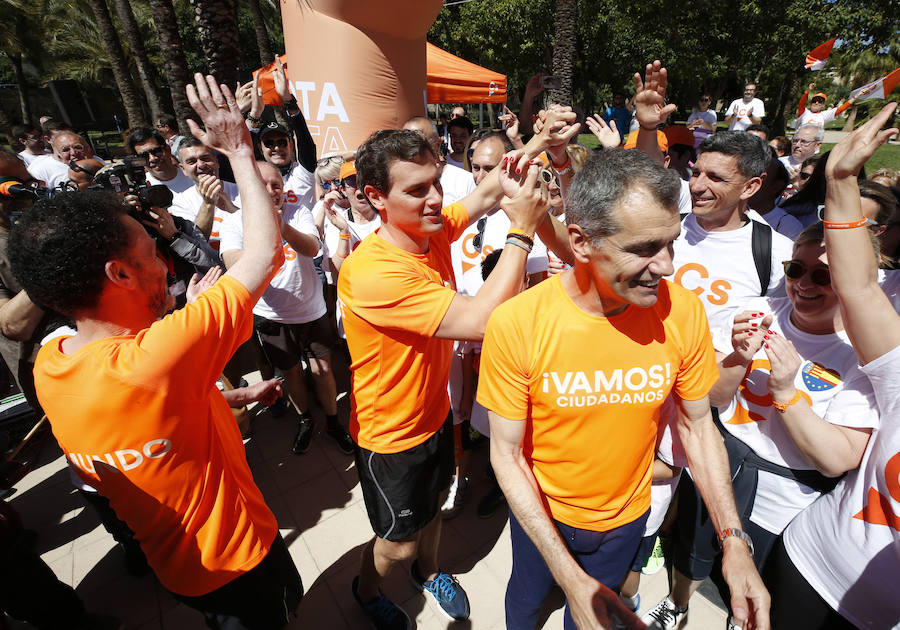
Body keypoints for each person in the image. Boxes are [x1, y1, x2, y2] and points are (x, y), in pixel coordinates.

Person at [8, 74, 303, 629]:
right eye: (151, 253)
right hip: (240, 563)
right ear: (118, 272)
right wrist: (237, 146)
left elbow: (152, 425)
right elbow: (262, 254)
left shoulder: (54, 361)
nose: (166, 264)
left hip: (182, 574)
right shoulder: (158, 357)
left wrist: (235, 393)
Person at [478, 147, 769, 630]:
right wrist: (569, 580)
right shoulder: (518, 323)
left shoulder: (682, 312)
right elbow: (505, 456)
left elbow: (698, 427)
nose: (668, 266)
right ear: (581, 241)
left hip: (624, 522)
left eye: (672, 243)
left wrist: (734, 543)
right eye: (644, 249)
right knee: (526, 609)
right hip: (541, 517)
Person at [339, 109, 578, 629]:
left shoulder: (429, 231)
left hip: (433, 416)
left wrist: (538, 140)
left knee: (432, 521)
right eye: (416, 190)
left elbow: (490, 190)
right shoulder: (376, 272)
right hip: (390, 436)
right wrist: (521, 232)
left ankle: (430, 572)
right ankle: (368, 587)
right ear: (376, 198)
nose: (435, 199)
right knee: (396, 542)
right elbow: (481, 319)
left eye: (434, 183)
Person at [682, 222, 878, 629]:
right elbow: (714, 398)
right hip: (716, 468)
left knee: (753, 600)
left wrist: (787, 393)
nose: (804, 284)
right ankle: (678, 604)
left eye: (823, 275)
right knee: (692, 555)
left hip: (782, 505)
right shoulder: (756, 311)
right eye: (795, 271)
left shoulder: (865, 354)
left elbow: (836, 459)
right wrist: (736, 358)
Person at [768, 101, 900, 630]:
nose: (804, 283)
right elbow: (858, 286)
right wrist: (840, 180)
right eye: (796, 270)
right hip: (807, 563)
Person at [220, 161, 351, 456]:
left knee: (323, 370)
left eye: (276, 184)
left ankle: (332, 422)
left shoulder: (299, 212)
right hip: (271, 317)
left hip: (311, 310)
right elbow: (232, 262)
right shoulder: (234, 221)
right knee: (291, 374)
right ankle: (305, 419)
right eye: (262, 185)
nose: (271, 190)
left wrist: (282, 227)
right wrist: (265, 231)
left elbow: (312, 248)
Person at [170, 137, 240, 246]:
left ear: (216, 161)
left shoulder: (242, 191)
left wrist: (232, 209)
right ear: (183, 169)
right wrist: (208, 204)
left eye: (205, 158)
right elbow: (194, 244)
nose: (201, 165)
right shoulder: (179, 204)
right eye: (192, 161)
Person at [127, 128, 194, 194]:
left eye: (156, 151)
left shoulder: (193, 176)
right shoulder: (141, 189)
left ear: (168, 149)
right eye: (143, 156)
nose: (152, 158)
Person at [795, 82, 874, 129]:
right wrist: (808, 90)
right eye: (814, 101)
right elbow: (801, 103)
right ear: (810, 103)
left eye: (820, 101)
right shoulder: (804, 113)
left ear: (823, 105)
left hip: (813, 151)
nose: (816, 103)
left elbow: (842, 108)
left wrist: (857, 95)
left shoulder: (824, 115)